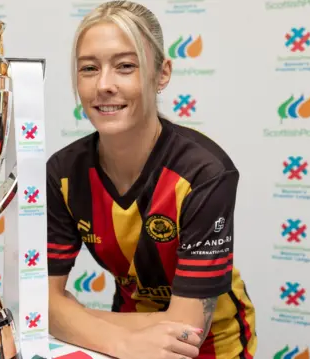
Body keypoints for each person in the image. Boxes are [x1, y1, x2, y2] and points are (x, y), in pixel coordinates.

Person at [45, 1, 257, 358]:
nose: (104, 85)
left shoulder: (204, 173)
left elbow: (187, 329)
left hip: (212, 347)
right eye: (89, 68)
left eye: (126, 66)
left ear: (162, 74)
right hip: (120, 343)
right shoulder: (63, 173)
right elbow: (44, 305)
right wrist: (121, 343)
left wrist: (74, 316)